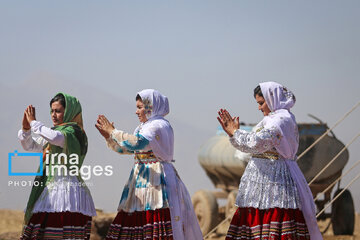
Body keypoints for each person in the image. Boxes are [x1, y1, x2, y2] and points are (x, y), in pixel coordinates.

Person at [217, 82, 322, 240]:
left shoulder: (280, 121)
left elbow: (257, 142)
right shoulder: (271, 120)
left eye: (261, 103)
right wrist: (234, 134)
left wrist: (236, 132)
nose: (259, 108)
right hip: (261, 184)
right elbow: (250, 147)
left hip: (275, 184)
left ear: (272, 99)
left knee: (273, 219)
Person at [95, 89, 203, 240]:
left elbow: (138, 143)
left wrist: (114, 132)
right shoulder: (142, 127)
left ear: (151, 107)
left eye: (140, 107)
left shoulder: (158, 125)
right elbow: (127, 149)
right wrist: (109, 137)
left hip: (158, 181)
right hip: (142, 181)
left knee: (157, 223)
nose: (136, 111)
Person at [18, 93, 96, 240]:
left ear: (69, 112)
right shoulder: (54, 133)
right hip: (50, 191)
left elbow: (55, 138)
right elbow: (29, 145)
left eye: (58, 111)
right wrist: (26, 129)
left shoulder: (74, 133)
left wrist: (34, 123)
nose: (53, 115)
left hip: (66, 195)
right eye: (52, 111)